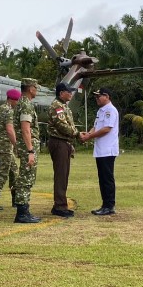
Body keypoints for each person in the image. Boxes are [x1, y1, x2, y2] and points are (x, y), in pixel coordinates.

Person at [80, 87, 119, 216]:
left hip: (108, 149)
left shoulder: (110, 111)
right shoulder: (101, 111)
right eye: (96, 96)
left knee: (107, 178)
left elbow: (107, 129)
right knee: (102, 178)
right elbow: (96, 126)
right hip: (101, 149)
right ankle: (105, 204)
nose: (97, 98)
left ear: (106, 96)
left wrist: (89, 137)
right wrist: (88, 134)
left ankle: (109, 205)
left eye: (99, 96)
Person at [47, 82, 80, 217]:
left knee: (64, 174)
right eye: (68, 91)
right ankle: (60, 206)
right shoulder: (57, 106)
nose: (71, 94)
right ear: (61, 93)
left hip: (64, 142)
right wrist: (78, 134)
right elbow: (62, 125)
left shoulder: (64, 106)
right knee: (61, 174)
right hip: (59, 142)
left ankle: (60, 204)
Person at [13, 78, 42, 223]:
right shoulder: (26, 105)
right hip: (28, 147)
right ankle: (22, 213)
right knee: (26, 178)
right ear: (30, 88)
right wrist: (30, 151)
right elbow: (25, 129)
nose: (36, 90)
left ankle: (24, 210)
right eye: (35, 87)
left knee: (26, 177)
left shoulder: (22, 103)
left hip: (26, 146)